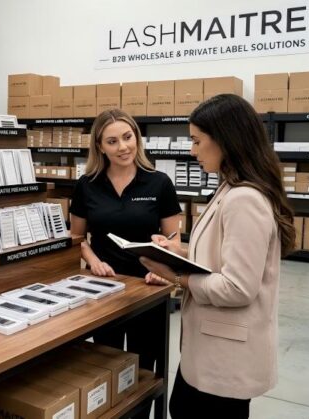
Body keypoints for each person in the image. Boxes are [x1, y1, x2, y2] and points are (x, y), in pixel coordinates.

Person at [140, 94, 296, 419]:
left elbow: (238, 288)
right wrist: (179, 251)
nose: (191, 150)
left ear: (225, 140)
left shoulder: (244, 199)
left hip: (226, 361)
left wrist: (177, 277)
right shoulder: (229, 188)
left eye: (197, 141)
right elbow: (225, 255)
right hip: (209, 352)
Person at [69, 108, 182, 417]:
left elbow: (174, 240)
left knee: (145, 370)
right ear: (100, 147)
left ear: (137, 138)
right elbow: (77, 238)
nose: (123, 147)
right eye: (112, 141)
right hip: (104, 290)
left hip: (148, 289)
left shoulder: (159, 183)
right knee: (106, 365)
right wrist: (93, 261)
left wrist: (165, 255)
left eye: (128, 137)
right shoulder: (87, 185)